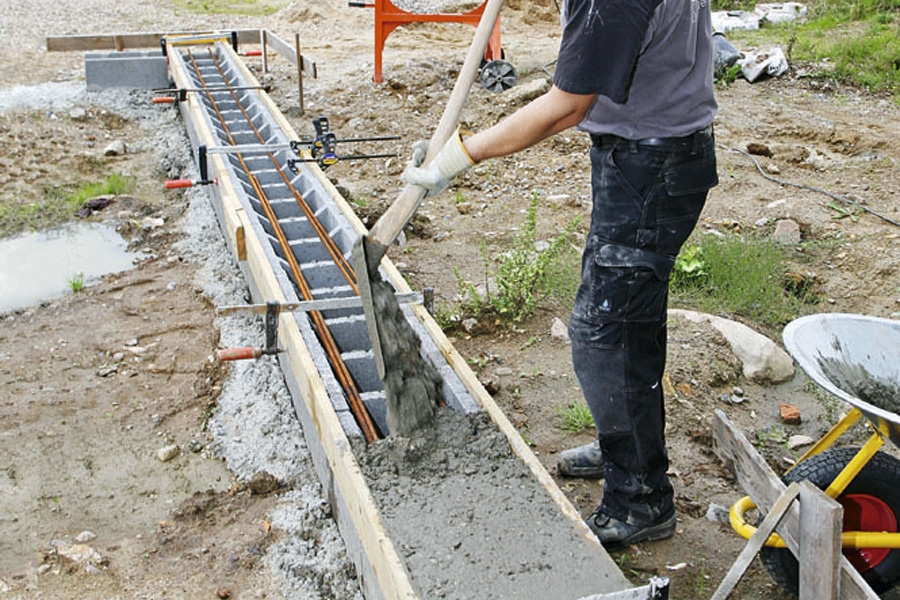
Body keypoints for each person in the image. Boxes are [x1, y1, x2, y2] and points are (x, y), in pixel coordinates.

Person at [401, 0, 718, 550]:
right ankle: (627, 449)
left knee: (605, 335)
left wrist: (459, 156)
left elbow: (566, 105)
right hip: (653, 151)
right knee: (629, 323)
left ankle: (640, 499)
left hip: (651, 163)